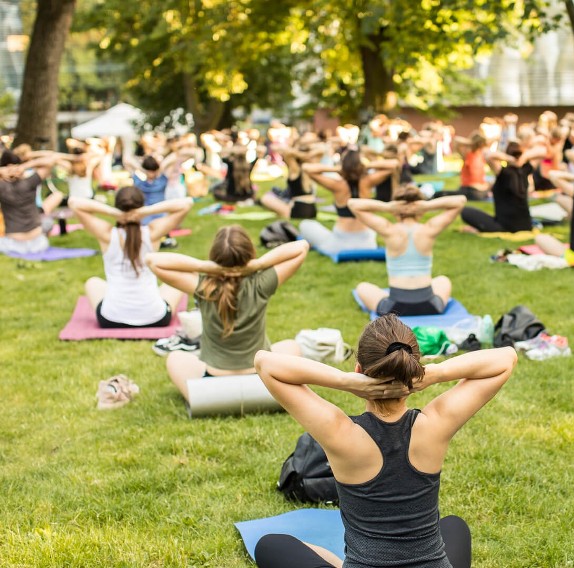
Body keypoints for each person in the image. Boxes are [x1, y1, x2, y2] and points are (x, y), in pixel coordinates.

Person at [253, 314, 518, 568]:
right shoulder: (435, 423)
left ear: (359, 371)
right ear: (413, 369)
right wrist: (434, 373)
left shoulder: (340, 432)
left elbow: (265, 363)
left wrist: (345, 381)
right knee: (454, 526)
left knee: (270, 545)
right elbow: (506, 358)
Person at [145, 227, 309, 401]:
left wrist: (205, 267)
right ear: (249, 255)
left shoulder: (204, 287)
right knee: (291, 346)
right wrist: (258, 264)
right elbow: (301, 247)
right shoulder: (261, 283)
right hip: (261, 377)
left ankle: (205, 399)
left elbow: (152, 260)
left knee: (175, 358)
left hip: (214, 378)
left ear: (215, 258)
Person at [68, 189, 193, 328]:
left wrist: (113, 213)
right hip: (155, 317)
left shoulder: (107, 234)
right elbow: (187, 203)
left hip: (110, 319)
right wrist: (146, 211)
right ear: (141, 206)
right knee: (176, 283)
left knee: (92, 283)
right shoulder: (152, 233)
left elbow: (74, 202)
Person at [348, 187, 465, 316]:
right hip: (430, 305)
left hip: (393, 308)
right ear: (420, 210)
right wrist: (427, 206)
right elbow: (461, 200)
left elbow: (353, 204)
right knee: (443, 280)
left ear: (396, 211)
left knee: (362, 287)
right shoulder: (430, 229)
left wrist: (387, 207)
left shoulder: (388, 230)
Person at [299, 147, 397, 254]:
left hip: (340, 244)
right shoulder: (368, 182)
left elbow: (306, 168)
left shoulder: (337, 185)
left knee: (305, 224)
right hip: (368, 243)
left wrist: (339, 168)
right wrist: (363, 167)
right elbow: (394, 164)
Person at [459, 141, 546, 233]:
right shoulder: (525, 170)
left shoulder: (504, 172)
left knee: (465, 211)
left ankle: (479, 229)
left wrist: (510, 158)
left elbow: (489, 156)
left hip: (505, 226)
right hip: (526, 225)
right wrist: (524, 157)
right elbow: (542, 151)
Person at [0, 153, 65, 256]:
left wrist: (4, 171)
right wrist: (26, 166)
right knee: (47, 221)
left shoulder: (2, 187)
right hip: (38, 243)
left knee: (47, 221)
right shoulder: (30, 182)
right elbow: (52, 159)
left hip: (12, 245)